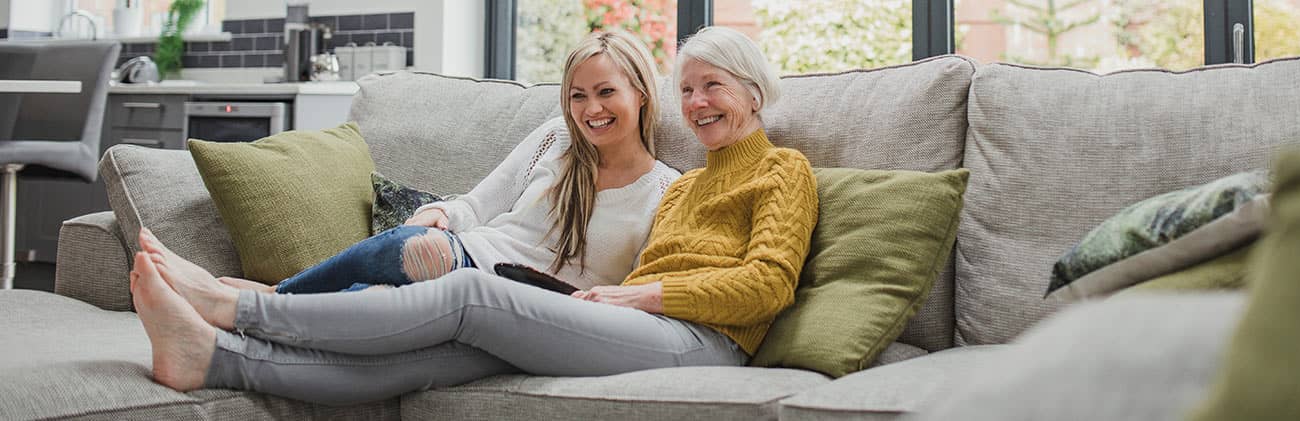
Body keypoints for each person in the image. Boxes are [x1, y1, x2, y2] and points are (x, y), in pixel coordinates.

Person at [128, 26, 818, 406]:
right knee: (434, 355)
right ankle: (217, 361)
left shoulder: (783, 170)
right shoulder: (690, 186)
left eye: (713, 87)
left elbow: (766, 285)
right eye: (689, 89)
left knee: (467, 289)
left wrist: (637, 293)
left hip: (701, 337)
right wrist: (625, 296)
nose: (697, 103)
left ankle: (238, 310)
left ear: (754, 91)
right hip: (637, 319)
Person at [220, 32, 678, 296]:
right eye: (578, 95)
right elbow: (477, 206)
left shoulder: (665, 190)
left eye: (605, 92)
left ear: (640, 93)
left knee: (386, 288)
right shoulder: (557, 137)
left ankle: (270, 301)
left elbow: (636, 286)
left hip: (533, 304)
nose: (590, 109)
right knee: (406, 261)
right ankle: (264, 305)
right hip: (472, 259)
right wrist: (440, 214)